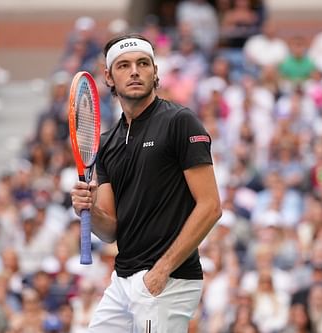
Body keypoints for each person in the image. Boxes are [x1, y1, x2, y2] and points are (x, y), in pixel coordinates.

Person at [71, 33, 222, 332]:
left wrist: (160, 272)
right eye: (124, 65)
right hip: (123, 282)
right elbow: (110, 229)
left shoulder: (180, 121)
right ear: (109, 77)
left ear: (155, 72)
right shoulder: (108, 142)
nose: (135, 71)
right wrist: (89, 210)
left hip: (168, 280)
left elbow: (211, 207)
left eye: (143, 63)